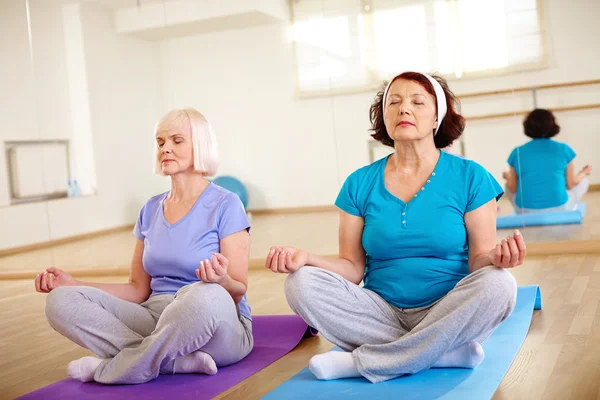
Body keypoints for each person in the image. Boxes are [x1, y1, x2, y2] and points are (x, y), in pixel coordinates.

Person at [265, 72, 526, 384]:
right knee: (300, 283)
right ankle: (440, 353)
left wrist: (498, 258)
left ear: (436, 119)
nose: (405, 109)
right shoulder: (359, 183)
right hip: (381, 312)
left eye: (418, 102)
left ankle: (364, 362)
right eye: (394, 102)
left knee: (500, 284)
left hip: (447, 308)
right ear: (384, 118)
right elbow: (351, 267)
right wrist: (307, 258)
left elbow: (478, 261)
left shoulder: (471, 176)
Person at [34, 108, 253, 384]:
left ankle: (117, 368)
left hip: (215, 321)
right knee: (59, 301)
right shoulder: (150, 209)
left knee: (202, 296)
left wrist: (221, 280)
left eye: (176, 140)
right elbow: (137, 289)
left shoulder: (227, 204)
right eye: (160, 142)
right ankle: (172, 363)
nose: (166, 149)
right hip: (155, 317)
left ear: (200, 145)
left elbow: (237, 291)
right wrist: (73, 283)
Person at [503, 108, 592, 213]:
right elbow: (571, 184)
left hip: (524, 210)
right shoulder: (564, 149)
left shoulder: (517, 152)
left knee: (507, 185)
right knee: (584, 181)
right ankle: (570, 208)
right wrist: (584, 173)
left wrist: (508, 177)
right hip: (560, 208)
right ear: (552, 125)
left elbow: (513, 188)